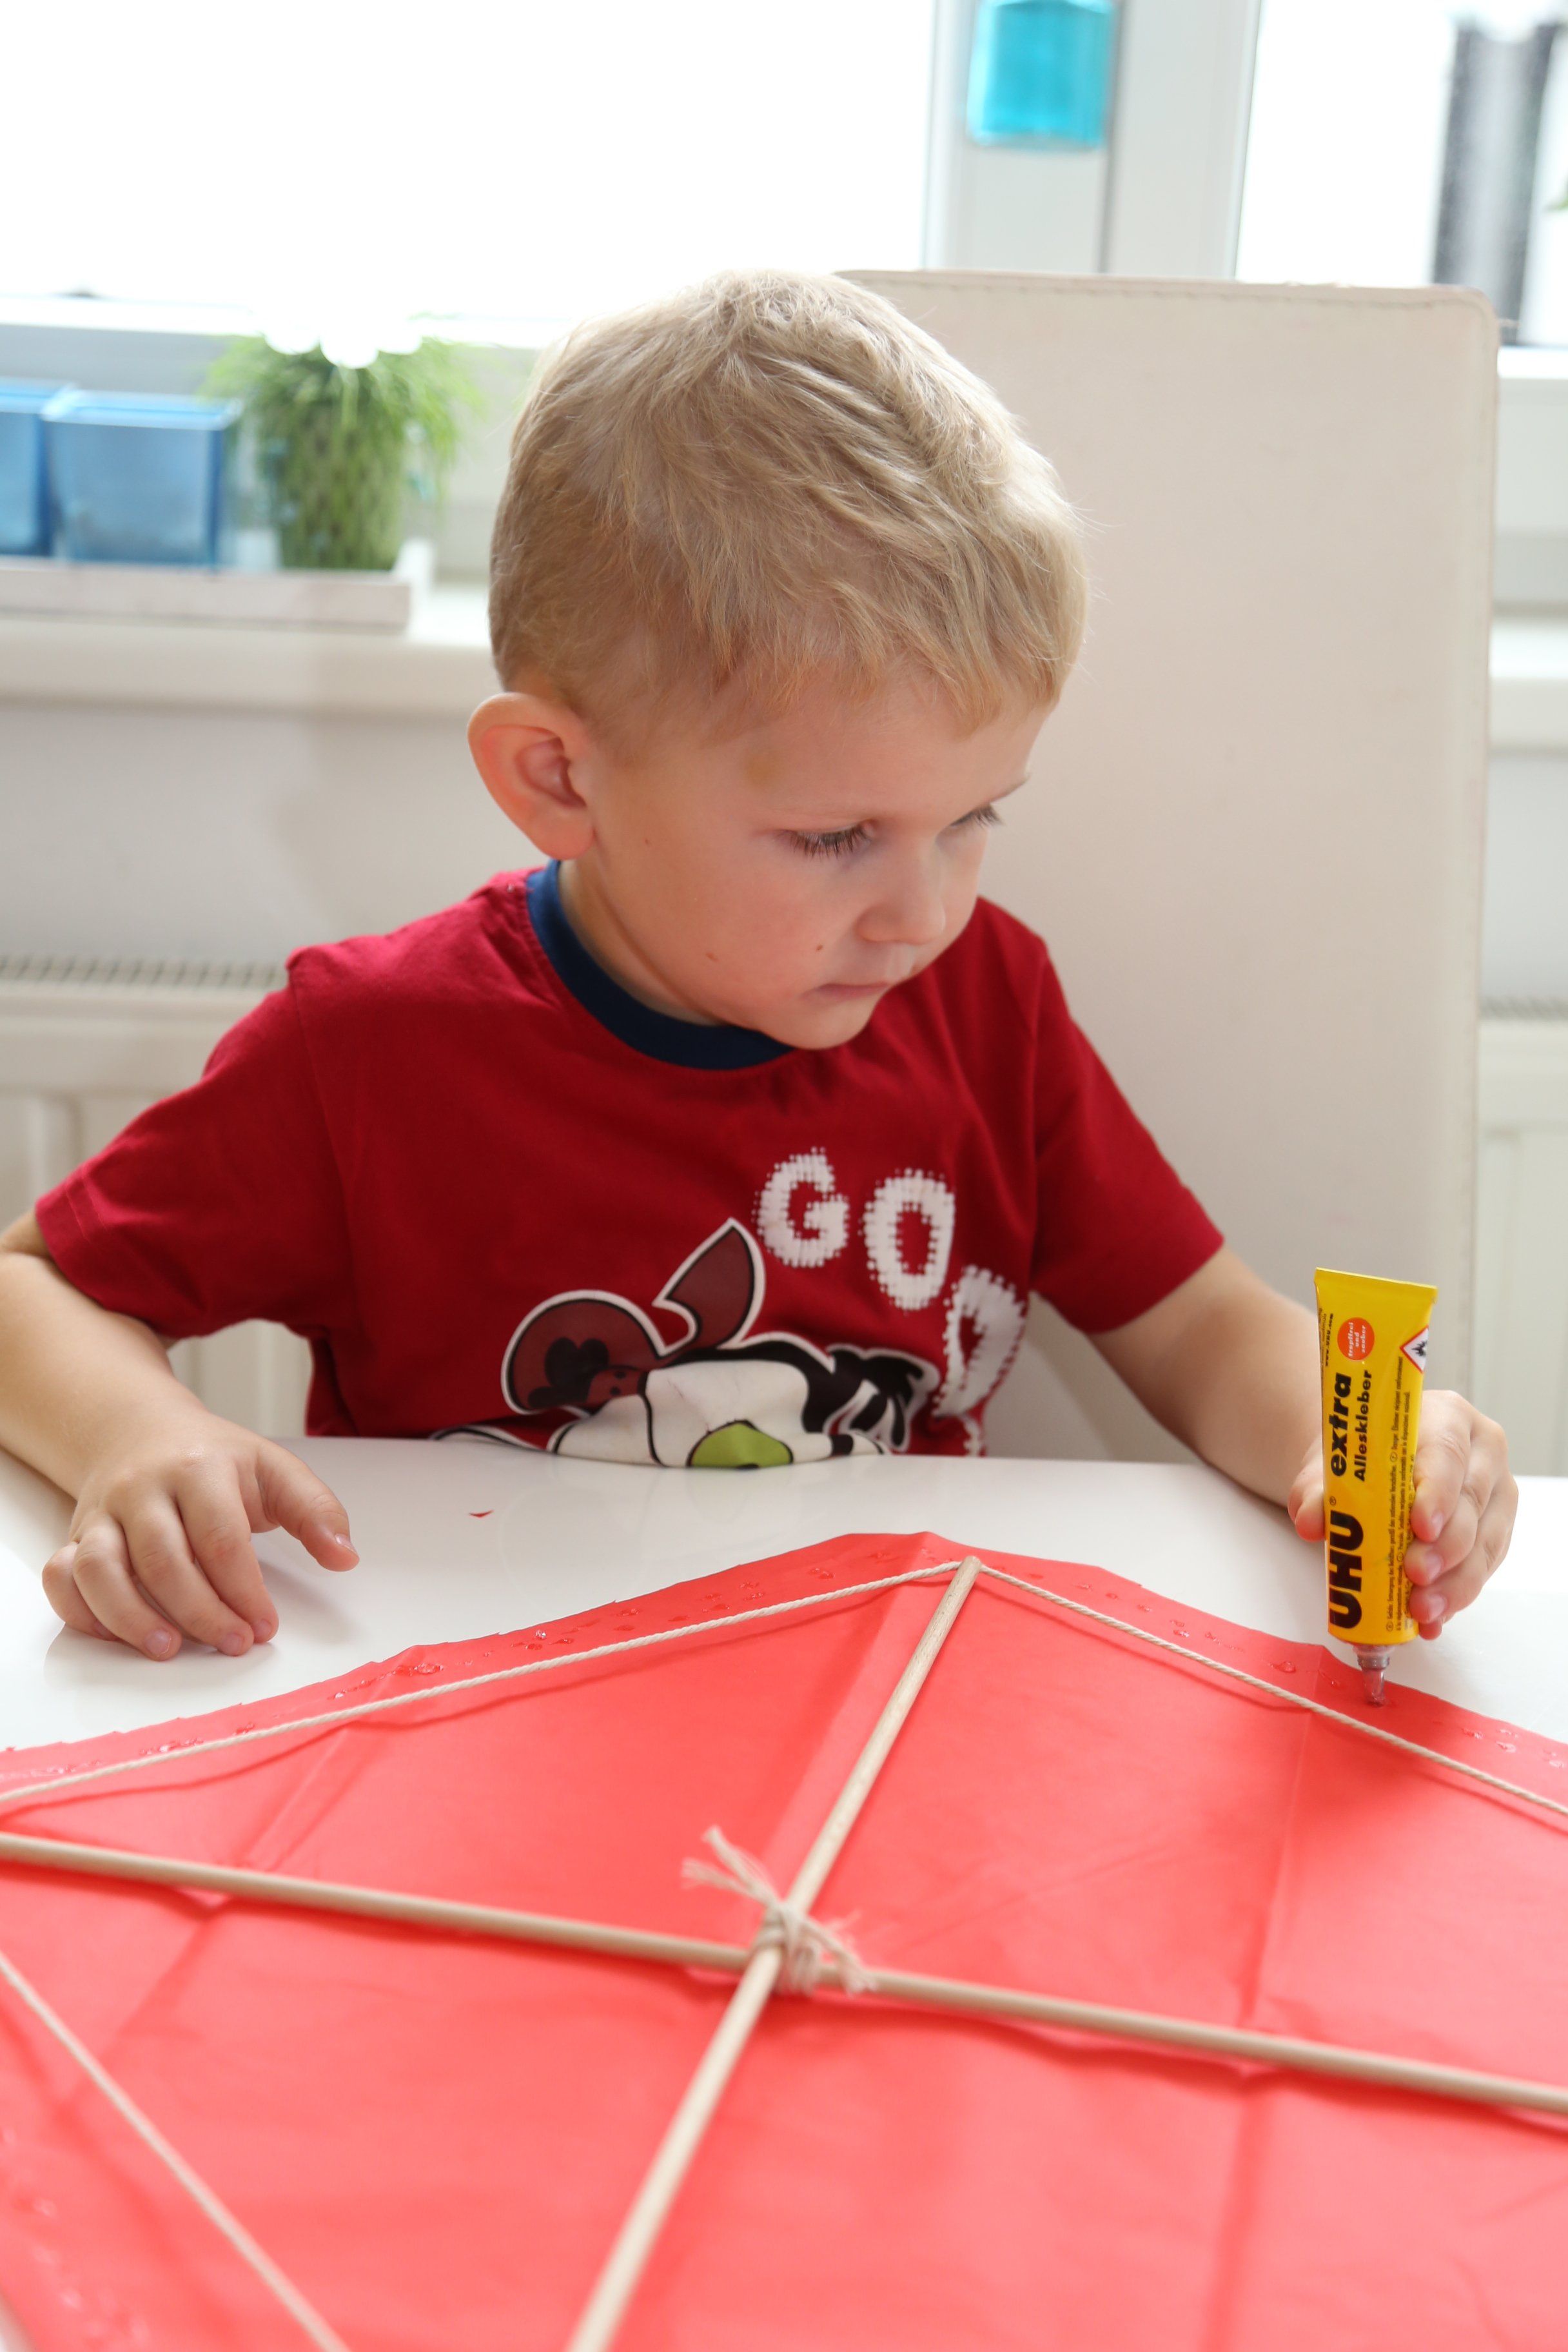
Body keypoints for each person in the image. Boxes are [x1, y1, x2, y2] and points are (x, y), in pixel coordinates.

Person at [0, 271, 1516, 1663]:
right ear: (560, 780)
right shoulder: (370, 1052)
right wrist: (138, 1439)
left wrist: (1363, 1435)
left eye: (971, 818)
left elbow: (1195, 1327)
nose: (920, 913)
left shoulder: (985, 1004)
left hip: (890, 1714)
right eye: (836, 837)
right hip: (496, 1727)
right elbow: (32, 1293)